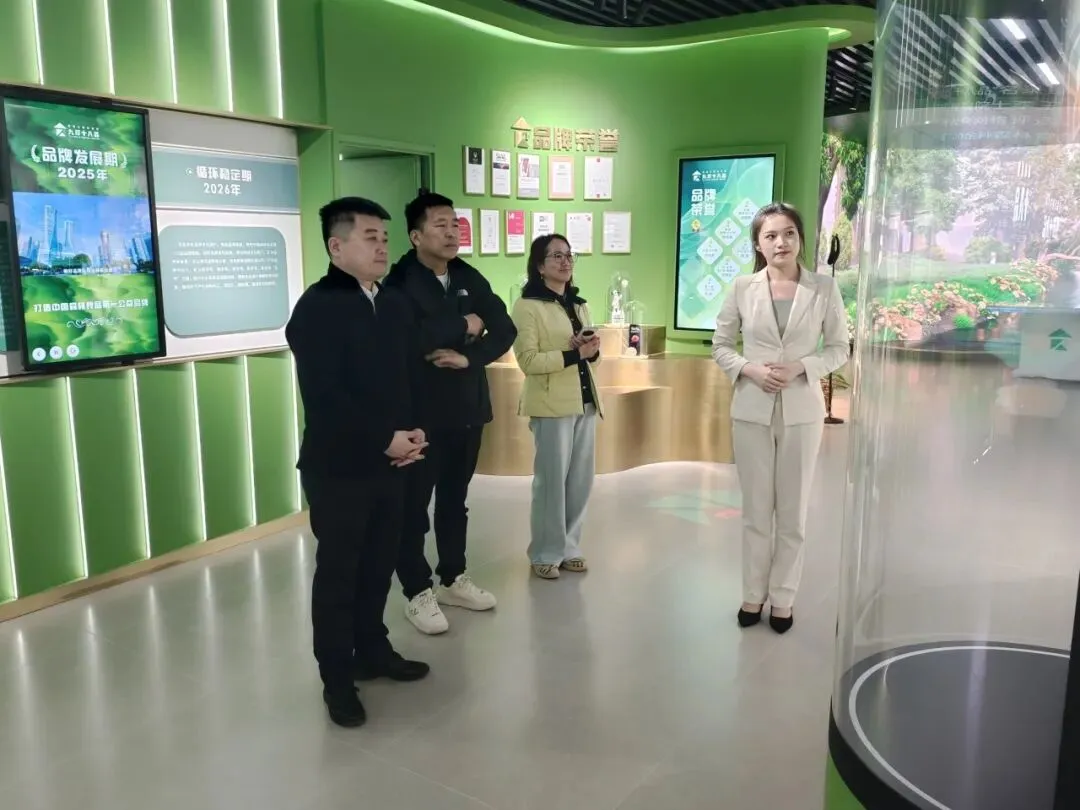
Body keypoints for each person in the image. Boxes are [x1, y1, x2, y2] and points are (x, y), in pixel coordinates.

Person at [286, 196, 431, 728]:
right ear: (336, 246)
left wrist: (414, 432)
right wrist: (382, 439)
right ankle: (336, 677)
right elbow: (324, 395)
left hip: (393, 462)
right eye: (370, 238)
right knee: (340, 574)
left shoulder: (391, 303)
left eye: (385, 238)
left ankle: (373, 650)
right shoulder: (317, 308)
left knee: (378, 565)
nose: (382, 247)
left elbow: (408, 376)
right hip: (339, 467)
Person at [382, 190, 517, 635]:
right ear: (416, 235)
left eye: (454, 223)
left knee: (455, 500)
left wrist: (468, 356)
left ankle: (453, 577)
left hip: (467, 408)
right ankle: (416, 590)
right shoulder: (400, 281)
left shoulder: (466, 275)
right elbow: (410, 338)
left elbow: (504, 327)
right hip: (420, 416)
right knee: (413, 507)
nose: (451, 231)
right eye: (440, 224)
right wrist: (465, 324)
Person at [711, 202, 849, 634]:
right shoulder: (741, 288)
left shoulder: (823, 288)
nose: (781, 242)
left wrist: (802, 367)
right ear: (758, 244)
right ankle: (753, 594)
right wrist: (749, 369)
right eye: (770, 235)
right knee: (756, 511)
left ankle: (784, 598)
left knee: (792, 514)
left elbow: (839, 348)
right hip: (751, 409)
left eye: (788, 233)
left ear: (800, 238)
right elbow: (720, 345)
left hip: (802, 412)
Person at [511, 234, 602, 579]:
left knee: (580, 481)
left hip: (584, 400)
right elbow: (528, 361)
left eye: (568, 255)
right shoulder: (527, 306)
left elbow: (588, 358)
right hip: (551, 404)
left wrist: (591, 350)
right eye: (556, 256)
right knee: (551, 483)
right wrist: (573, 354)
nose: (565, 262)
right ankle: (545, 552)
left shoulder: (579, 304)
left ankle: (569, 547)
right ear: (539, 265)